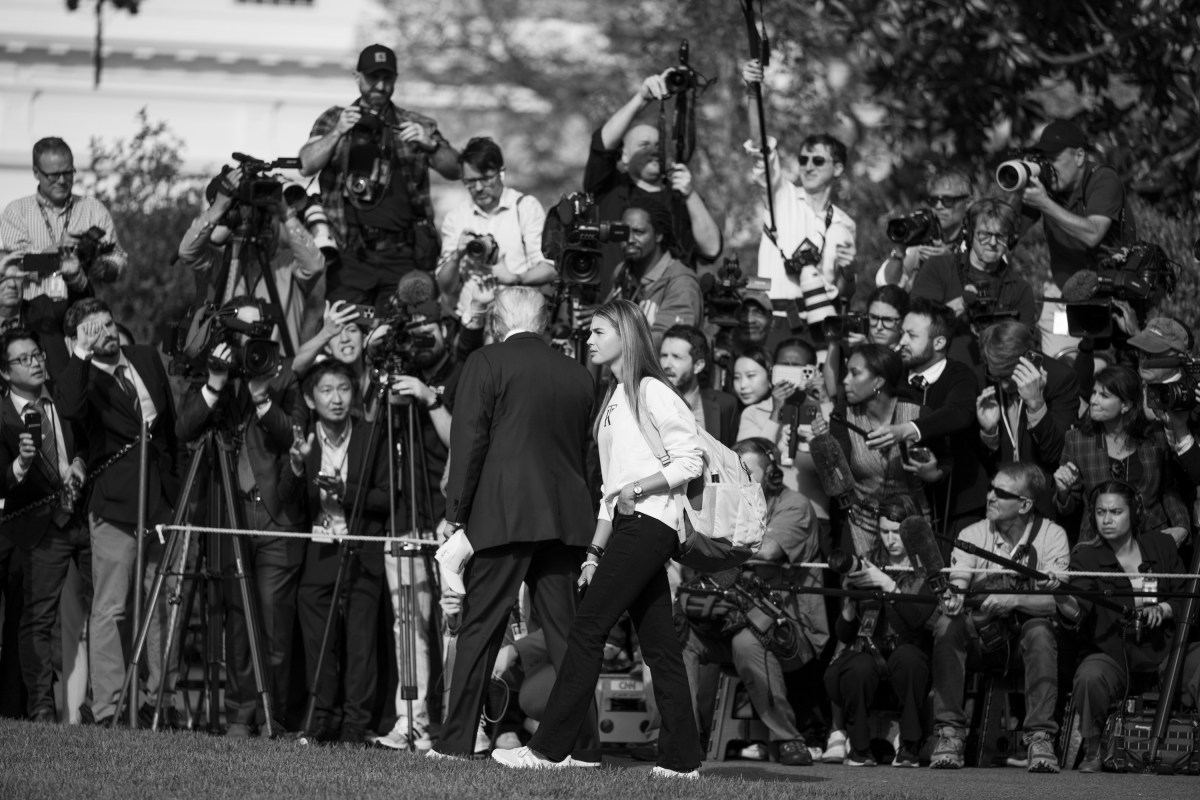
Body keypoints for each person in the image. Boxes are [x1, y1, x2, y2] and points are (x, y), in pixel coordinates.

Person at [489, 298, 703, 777]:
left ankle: (548, 751)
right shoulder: (613, 398)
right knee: (661, 647)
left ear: (625, 336)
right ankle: (682, 760)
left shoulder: (653, 391)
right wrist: (593, 552)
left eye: (598, 332)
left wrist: (639, 488)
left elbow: (691, 461)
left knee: (587, 629)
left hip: (652, 524)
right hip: (630, 525)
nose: (589, 340)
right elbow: (609, 494)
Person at [434, 287, 600, 763]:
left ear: (497, 320)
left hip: (504, 516)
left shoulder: (486, 362)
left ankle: (455, 744)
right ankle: (584, 747)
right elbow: (582, 454)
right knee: (569, 637)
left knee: (479, 629)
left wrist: (455, 514)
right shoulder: (578, 372)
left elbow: (468, 443)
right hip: (566, 517)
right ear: (545, 322)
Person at [175, 298, 304, 736]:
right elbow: (184, 429)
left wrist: (263, 400)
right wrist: (214, 382)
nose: (253, 343)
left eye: (259, 334)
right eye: (244, 333)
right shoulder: (215, 370)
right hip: (226, 510)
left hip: (274, 515)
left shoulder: (282, 375)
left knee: (273, 623)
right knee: (236, 618)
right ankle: (239, 717)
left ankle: (274, 718)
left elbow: (295, 437)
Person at [55, 298, 180, 726]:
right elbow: (69, 408)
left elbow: (169, 430)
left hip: (159, 502)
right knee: (112, 608)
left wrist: (175, 490)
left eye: (107, 324)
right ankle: (107, 707)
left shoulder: (144, 357)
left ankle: (159, 701)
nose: (105, 332)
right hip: (114, 507)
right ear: (77, 339)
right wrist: (82, 354)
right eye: (93, 329)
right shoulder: (82, 377)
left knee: (162, 604)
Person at [681, 437, 827, 767]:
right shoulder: (724, 503)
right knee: (683, 638)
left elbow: (770, 550)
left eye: (744, 469)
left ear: (773, 473)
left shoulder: (795, 505)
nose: (735, 476)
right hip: (728, 615)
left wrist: (710, 542)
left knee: (749, 642)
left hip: (785, 626)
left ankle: (789, 739)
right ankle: (685, 737)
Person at [298, 44, 461, 309]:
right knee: (343, 335)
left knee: (399, 336)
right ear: (358, 77)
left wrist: (430, 145)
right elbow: (306, 164)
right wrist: (339, 132)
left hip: (403, 255)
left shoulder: (414, 123)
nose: (380, 86)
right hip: (349, 252)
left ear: (395, 80)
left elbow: (456, 170)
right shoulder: (335, 119)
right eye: (373, 78)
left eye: (387, 79)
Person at [1051, 480, 1198, 773]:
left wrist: (1165, 608)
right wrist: (1058, 592)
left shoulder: (1162, 544)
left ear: (1134, 512)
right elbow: (1077, 613)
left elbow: (1189, 598)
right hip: (1114, 654)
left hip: (1167, 651)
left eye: (1115, 512)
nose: (1106, 519)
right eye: (1100, 512)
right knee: (1090, 675)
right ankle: (1093, 750)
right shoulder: (1085, 557)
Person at [931, 462, 1069, 772]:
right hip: (981, 638)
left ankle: (1040, 737)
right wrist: (953, 598)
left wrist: (1014, 599)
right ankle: (950, 733)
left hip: (1024, 642)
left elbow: (1056, 604)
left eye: (1001, 492)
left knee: (1040, 631)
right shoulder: (972, 533)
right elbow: (959, 582)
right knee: (946, 624)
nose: (990, 496)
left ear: (1025, 504)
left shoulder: (1052, 535)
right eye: (991, 488)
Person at [283, 359, 391, 744]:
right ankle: (321, 719)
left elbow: (386, 496)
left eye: (344, 389)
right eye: (327, 390)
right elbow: (286, 502)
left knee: (361, 644)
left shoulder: (369, 435)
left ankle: (356, 726)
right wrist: (296, 467)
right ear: (311, 400)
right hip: (318, 552)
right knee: (319, 643)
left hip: (362, 549)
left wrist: (346, 491)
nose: (336, 398)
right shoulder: (303, 439)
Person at [0, 328, 90, 723]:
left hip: (81, 518)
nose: (35, 362)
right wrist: (19, 465)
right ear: (5, 373)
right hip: (33, 529)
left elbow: (87, 440)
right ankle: (39, 708)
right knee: (35, 619)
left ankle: (103, 706)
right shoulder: (3, 416)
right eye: (24, 359)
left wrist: (80, 467)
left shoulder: (61, 400)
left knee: (102, 612)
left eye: (37, 355)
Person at [582, 70, 722, 297]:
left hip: (671, 312)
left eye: (659, 144)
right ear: (624, 157)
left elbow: (712, 249)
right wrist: (642, 98)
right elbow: (601, 144)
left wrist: (690, 194)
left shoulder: (680, 196)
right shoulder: (609, 190)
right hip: (616, 315)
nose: (654, 150)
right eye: (644, 145)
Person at [741, 61, 856, 329]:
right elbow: (760, 148)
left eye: (818, 160)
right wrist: (751, 91)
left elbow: (845, 291)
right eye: (803, 159)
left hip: (821, 322)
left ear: (837, 168)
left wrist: (849, 274)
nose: (808, 166)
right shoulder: (783, 197)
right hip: (774, 320)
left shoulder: (845, 223)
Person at [824, 494, 935, 768]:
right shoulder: (868, 562)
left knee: (908, 659)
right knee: (857, 667)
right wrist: (849, 602)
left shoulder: (924, 569)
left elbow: (916, 621)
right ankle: (859, 749)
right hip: (868, 651)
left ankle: (909, 746)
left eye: (896, 532)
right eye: (884, 531)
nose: (890, 539)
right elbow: (845, 634)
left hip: (906, 653)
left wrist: (888, 585)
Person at [1015, 121, 1136, 357]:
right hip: (1065, 297)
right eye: (1043, 160)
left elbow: (1093, 233)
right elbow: (1009, 232)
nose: (1048, 167)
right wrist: (1013, 187)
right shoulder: (1046, 188)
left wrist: (1045, 204)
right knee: (1063, 369)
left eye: (1054, 159)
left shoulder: (1102, 179)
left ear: (1079, 156)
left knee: (1108, 372)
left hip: (1111, 296)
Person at [175, 168, 326, 350]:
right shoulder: (222, 262)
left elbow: (315, 266)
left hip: (280, 371)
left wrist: (286, 213)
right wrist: (218, 209)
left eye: (265, 213)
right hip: (230, 368)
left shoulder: (288, 262)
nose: (259, 220)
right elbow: (187, 251)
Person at [813, 344, 934, 556]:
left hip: (911, 522)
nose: (845, 381)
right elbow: (837, 479)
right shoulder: (842, 415)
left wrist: (933, 473)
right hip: (861, 524)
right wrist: (823, 442)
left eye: (854, 373)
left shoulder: (919, 414)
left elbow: (945, 463)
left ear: (878, 381)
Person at [1054, 365, 1189, 545]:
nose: (1093, 400)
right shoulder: (1078, 441)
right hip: (1098, 545)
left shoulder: (1155, 437)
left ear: (1125, 405)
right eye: (1093, 393)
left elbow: (1168, 489)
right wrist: (1063, 492)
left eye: (1104, 395)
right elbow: (1068, 508)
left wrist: (1182, 526)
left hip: (1150, 541)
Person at [887, 298, 987, 536]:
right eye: (901, 334)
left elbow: (958, 413)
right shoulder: (892, 375)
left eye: (912, 336)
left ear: (939, 342)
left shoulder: (961, 375)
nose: (901, 342)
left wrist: (906, 429)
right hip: (899, 512)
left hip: (957, 508)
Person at [435, 136, 556, 318]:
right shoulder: (456, 217)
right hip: (469, 323)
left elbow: (549, 268)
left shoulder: (525, 207)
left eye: (486, 179)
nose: (478, 187)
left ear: (501, 173)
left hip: (517, 322)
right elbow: (445, 287)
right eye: (469, 181)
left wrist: (515, 279)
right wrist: (456, 257)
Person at [911, 198, 1036, 368]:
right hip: (943, 378)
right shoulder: (938, 268)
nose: (992, 243)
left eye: (1000, 236)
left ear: (1010, 240)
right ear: (969, 234)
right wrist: (960, 304)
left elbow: (1024, 346)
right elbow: (917, 328)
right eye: (984, 234)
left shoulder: (1020, 289)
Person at [0, 137, 128, 299]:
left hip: (83, 313)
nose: (62, 181)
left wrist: (101, 267)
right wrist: (60, 251)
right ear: (36, 172)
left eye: (67, 173)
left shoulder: (94, 209)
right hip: (35, 315)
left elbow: (118, 259)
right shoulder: (17, 212)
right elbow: (17, 265)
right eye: (53, 175)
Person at [976, 320, 1079, 481]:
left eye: (1007, 376)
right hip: (1002, 491)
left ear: (1028, 360)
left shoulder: (1060, 379)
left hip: (1040, 493)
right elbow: (983, 462)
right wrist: (989, 433)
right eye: (996, 377)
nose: (1002, 385)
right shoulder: (985, 378)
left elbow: (1055, 454)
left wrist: (1036, 404)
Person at [607, 205, 702, 348]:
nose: (630, 239)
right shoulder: (622, 272)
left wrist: (607, 333)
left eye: (639, 232)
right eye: (624, 232)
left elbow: (668, 343)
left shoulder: (681, 281)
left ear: (658, 235)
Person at [0, 252, 94, 379]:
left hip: (57, 395)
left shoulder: (42, 308)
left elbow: (83, 307)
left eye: (16, 277)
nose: (11, 285)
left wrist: (75, 277)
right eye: (3, 278)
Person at [878, 169, 973, 290]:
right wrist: (899, 252)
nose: (939, 206)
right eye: (933, 200)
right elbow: (886, 284)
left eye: (948, 200)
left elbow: (987, 284)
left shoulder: (980, 239)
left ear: (968, 202)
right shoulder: (922, 243)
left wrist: (952, 262)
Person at [659, 324, 737, 446]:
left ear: (698, 365)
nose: (666, 364)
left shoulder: (725, 405)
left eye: (676, 357)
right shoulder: (647, 402)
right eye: (664, 356)